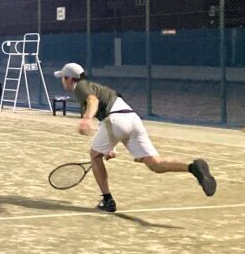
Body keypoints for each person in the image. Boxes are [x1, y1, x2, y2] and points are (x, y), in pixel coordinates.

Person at [55, 62, 216, 212]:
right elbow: (108, 118)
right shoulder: (97, 87)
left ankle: (108, 200)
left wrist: (87, 119)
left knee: (94, 156)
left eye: (63, 77)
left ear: (69, 78)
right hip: (132, 119)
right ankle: (193, 168)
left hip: (116, 119)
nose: (62, 80)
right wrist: (111, 147)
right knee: (155, 164)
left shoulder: (80, 87)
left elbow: (93, 101)